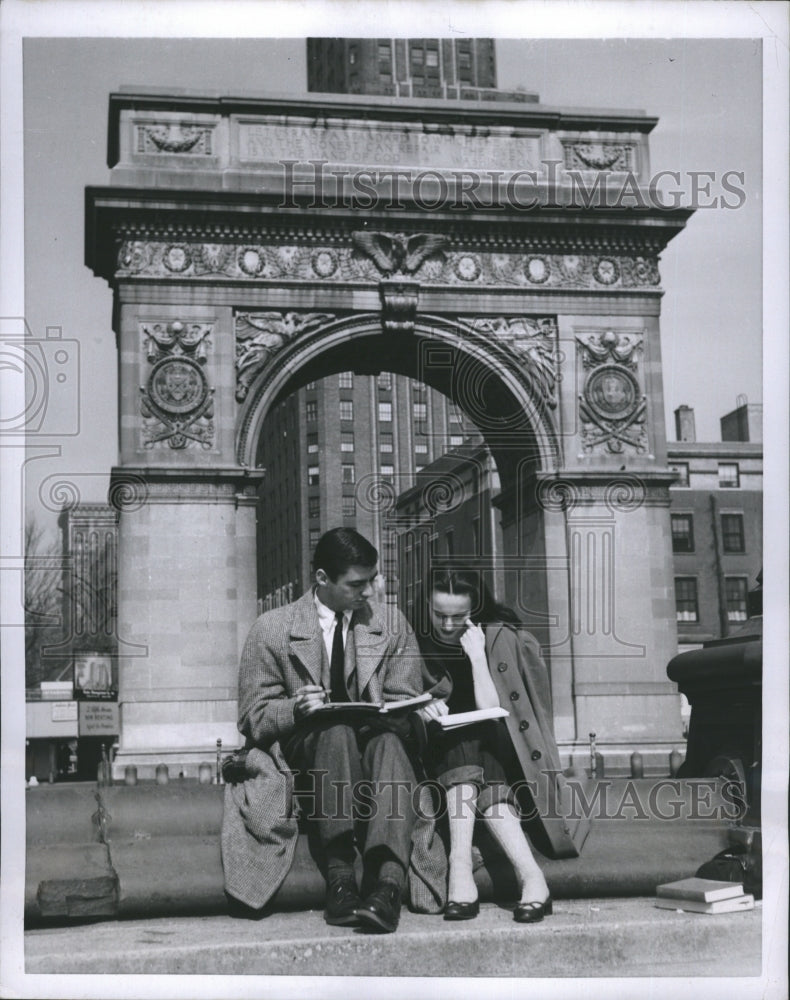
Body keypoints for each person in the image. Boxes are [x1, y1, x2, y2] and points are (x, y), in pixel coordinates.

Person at [222, 528, 425, 934]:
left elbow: (406, 694)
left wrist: (400, 710)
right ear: (321, 580)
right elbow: (252, 716)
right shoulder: (272, 629)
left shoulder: (392, 625)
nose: (368, 592)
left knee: (388, 742)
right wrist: (295, 707)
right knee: (335, 733)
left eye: (372, 580)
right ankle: (341, 877)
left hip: (374, 741)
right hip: (308, 749)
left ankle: (387, 886)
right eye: (355, 584)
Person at [413, 567, 590, 923]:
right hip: (437, 760)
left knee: (473, 734)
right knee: (461, 740)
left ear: (474, 611)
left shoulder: (494, 638)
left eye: (458, 616)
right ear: (425, 608)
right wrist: (421, 706)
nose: (448, 625)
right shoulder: (412, 641)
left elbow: (491, 712)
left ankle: (460, 872)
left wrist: (477, 657)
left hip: (497, 753)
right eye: (439, 615)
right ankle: (530, 877)